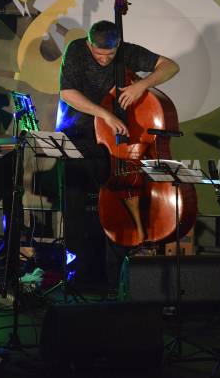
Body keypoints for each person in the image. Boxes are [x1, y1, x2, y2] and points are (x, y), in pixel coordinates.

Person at [56, 20, 180, 288]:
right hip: (79, 135)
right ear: (89, 43)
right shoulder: (76, 50)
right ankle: (77, 275)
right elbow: (67, 93)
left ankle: (115, 277)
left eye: (110, 54)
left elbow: (170, 66)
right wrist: (105, 114)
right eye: (98, 53)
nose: (104, 59)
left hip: (113, 143)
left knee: (119, 194)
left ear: (118, 46)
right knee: (76, 203)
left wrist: (141, 85)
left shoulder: (126, 52)